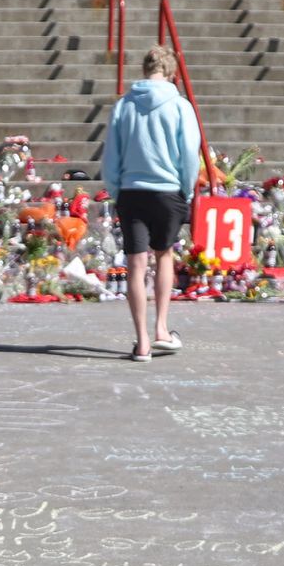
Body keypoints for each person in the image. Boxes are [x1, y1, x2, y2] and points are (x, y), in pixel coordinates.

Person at [100, 44, 201, 360]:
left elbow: (111, 156)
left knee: (135, 263)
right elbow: (188, 154)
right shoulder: (180, 106)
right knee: (165, 255)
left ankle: (141, 341)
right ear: (171, 73)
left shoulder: (124, 105)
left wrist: (117, 191)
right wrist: (186, 190)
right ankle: (161, 329)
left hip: (131, 191)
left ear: (144, 71)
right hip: (168, 191)